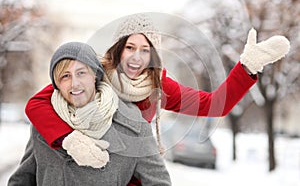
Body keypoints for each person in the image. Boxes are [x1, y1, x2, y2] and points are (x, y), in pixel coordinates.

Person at [23, 14, 290, 185]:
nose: (136, 57)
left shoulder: (159, 87)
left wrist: (246, 67)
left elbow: (213, 105)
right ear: (118, 49)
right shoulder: (95, 73)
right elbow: (37, 104)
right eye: (130, 47)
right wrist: (68, 138)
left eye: (145, 50)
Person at [8, 42, 171, 186]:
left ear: (95, 75)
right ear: (57, 84)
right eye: (65, 76)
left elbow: (159, 182)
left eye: (81, 73)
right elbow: (22, 179)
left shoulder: (135, 126)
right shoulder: (43, 124)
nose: (75, 83)